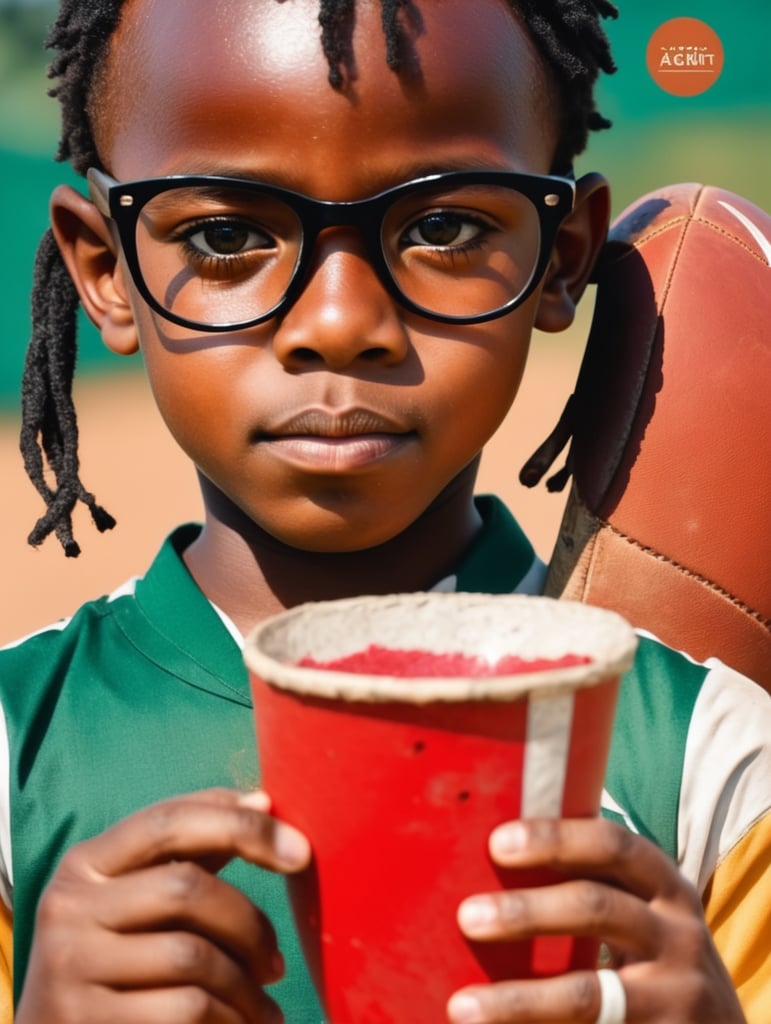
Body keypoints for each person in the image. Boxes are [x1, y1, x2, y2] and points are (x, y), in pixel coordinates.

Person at [3, 0, 769, 1021]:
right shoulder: (18, 751)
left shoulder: (707, 758)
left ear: (562, 257)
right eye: (227, 234)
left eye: (442, 227)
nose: (339, 322)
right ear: (105, 268)